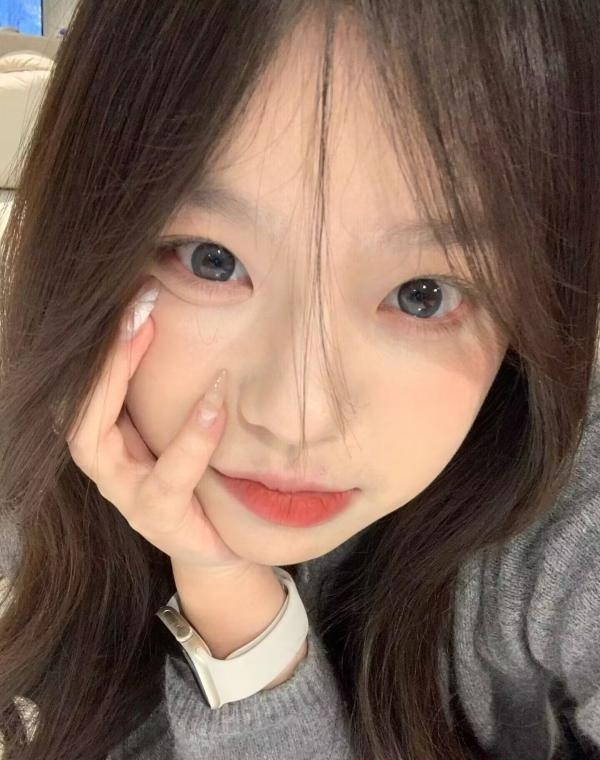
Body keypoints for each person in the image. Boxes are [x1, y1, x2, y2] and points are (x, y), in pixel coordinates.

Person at [0, 1, 599, 758]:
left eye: (423, 294)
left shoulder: (568, 514)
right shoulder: (31, 459)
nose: (296, 418)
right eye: (212, 260)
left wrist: (238, 620)